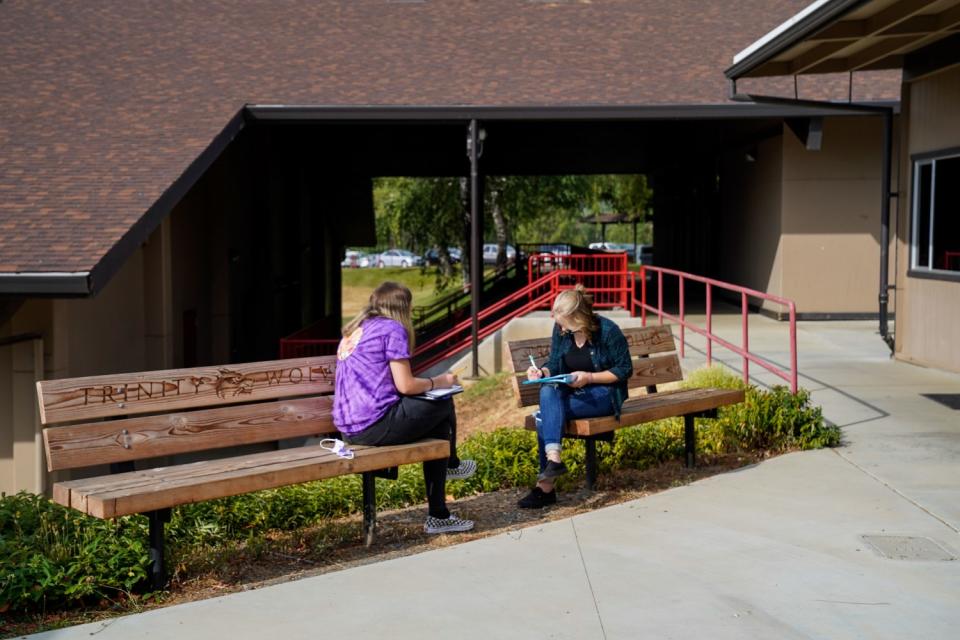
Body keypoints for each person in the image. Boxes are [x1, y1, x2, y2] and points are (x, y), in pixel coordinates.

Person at [332, 281, 476, 534]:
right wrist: (439, 381)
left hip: (350, 429)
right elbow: (406, 386)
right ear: (404, 307)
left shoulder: (356, 329)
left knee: (438, 420)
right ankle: (450, 470)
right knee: (444, 400)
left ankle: (440, 513)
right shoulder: (393, 329)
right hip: (374, 424)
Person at [518, 284, 633, 509]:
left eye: (563, 321)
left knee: (544, 417)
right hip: (573, 391)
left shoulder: (608, 331)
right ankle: (554, 458)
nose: (559, 325)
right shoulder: (562, 331)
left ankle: (545, 489)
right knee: (547, 388)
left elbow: (624, 369)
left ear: (578, 318)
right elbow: (553, 363)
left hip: (605, 394)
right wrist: (541, 372)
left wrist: (589, 377)